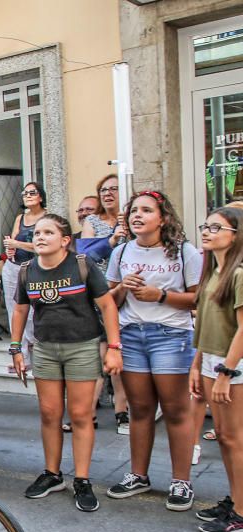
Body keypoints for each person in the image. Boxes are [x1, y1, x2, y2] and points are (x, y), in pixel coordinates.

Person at [12, 214, 123, 512]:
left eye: (48, 232)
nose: (40, 237)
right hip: (45, 349)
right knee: (49, 414)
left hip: (83, 347)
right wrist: (16, 348)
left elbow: (107, 305)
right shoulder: (27, 271)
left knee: (80, 414)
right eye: (36, 232)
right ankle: (52, 474)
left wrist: (114, 347)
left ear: (64, 240)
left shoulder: (82, 265)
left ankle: (83, 480)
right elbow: (21, 311)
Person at [105, 191, 202, 511]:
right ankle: (138, 474)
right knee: (140, 410)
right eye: (134, 211)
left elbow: (196, 299)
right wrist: (122, 288)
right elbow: (109, 303)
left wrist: (158, 295)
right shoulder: (121, 252)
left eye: (146, 211)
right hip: (132, 335)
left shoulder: (185, 253)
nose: (138, 216)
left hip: (170, 336)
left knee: (175, 410)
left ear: (163, 218)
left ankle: (181, 480)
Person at [190, 206, 243, 532]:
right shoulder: (211, 271)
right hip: (210, 360)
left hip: (231, 364)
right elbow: (204, 326)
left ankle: (241, 510)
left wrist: (226, 372)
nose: (207, 231)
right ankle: (235, 498)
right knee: (223, 437)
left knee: (235, 438)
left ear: (235, 235)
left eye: (215, 227)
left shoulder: (239, 274)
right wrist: (197, 366)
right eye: (205, 226)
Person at [80, 174, 131, 433]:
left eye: (114, 189)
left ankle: (122, 409)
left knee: (117, 351)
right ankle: (88, 413)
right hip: (101, 291)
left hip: (131, 291)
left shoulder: (135, 219)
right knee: (101, 352)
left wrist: (128, 228)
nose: (108, 193)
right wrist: (112, 238)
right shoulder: (92, 221)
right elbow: (86, 253)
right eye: (103, 190)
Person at [2, 182, 46, 370]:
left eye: (32, 192)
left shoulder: (47, 218)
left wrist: (17, 245)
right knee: (14, 310)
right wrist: (10, 249)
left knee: (34, 310)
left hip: (35, 267)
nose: (27, 195)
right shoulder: (20, 218)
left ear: (41, 197)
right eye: (25, 193)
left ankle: (38, 350)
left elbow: (41, 245)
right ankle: (22, 355)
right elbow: (13, 240)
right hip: (14, 267)